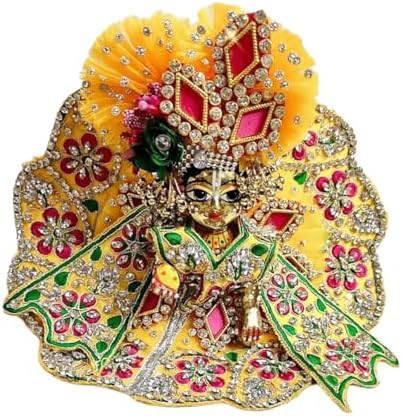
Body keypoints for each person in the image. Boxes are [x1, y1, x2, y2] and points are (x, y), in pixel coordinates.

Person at [3, 3, 398, 411]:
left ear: (245, 195)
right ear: (180, 190)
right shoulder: (171, 235)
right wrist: (165, 276)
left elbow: (249, 286)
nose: (214, 209)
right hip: (161, 317)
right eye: (200, 195)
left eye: (229, 197)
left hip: (223, 331)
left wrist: (250, 314)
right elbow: (165, 268)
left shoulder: (254, 244)